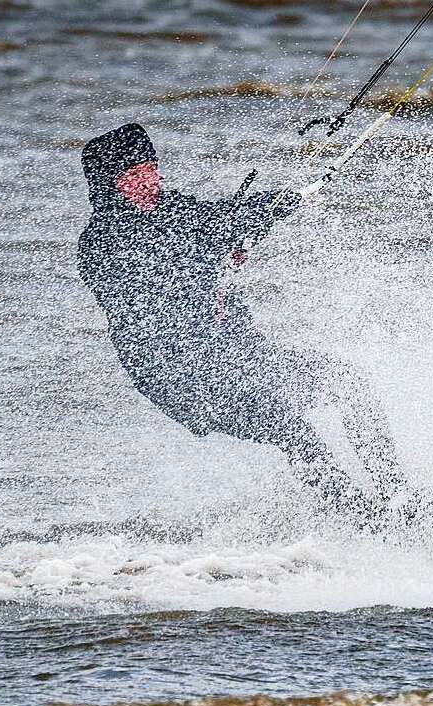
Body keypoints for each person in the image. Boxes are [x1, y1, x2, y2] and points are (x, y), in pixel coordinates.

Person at [77, 123, 405, 521]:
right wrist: (209, 264)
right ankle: (361, 517)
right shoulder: (102, 241)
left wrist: (284, 202)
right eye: (134, 174)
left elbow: (226, 219)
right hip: (177, 376)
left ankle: (398, 493)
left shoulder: (175, 208)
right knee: (291, 427)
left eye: (151, 167)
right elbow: (155, 291)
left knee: (346, 382)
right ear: (110, 186)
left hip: (234, 355)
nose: (151, 180)